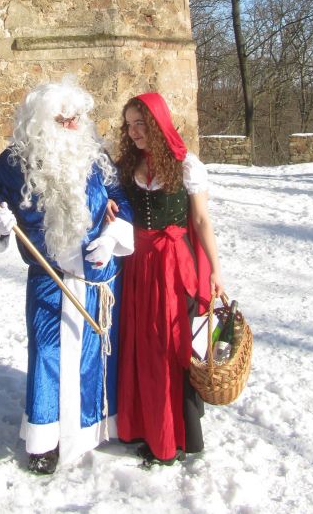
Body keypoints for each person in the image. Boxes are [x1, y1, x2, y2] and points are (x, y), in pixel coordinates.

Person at [0, 79, 134, 475]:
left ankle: (95, 427)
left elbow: (124, 203)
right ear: (40, 122)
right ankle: (44, 441)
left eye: (76, 118)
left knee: (95, 355)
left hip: (99, 280)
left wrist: (113, 235)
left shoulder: (97, 157)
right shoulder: (12, 164)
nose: (71, 126)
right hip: (49, 277)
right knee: (48, 353)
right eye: (62, 119)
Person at [113, 92, 224, 467]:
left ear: (158, 122)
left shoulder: (186, 164)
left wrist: (216, 271)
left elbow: (202, 221)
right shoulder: (128, 165)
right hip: (137, 265)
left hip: (173, 266)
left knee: (167, 347)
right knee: (138, 345)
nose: (134, 132)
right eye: (129, 125)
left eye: (140, 123)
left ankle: (174, 436)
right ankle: (144, 425)